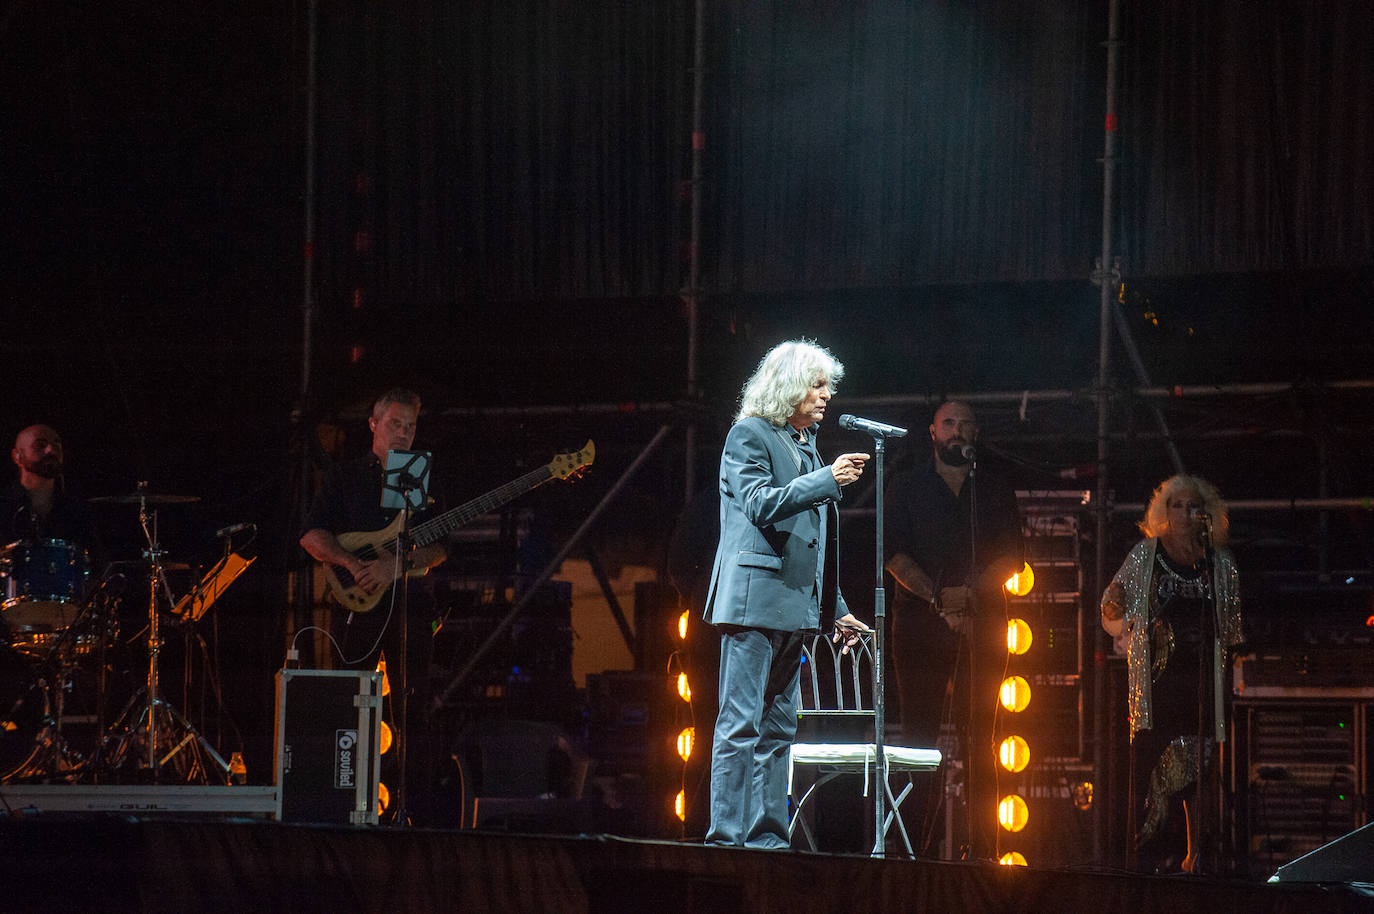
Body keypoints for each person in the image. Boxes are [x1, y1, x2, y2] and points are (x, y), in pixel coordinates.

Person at [702, 339, 871, 849]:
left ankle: (768, 840)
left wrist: (835, 611)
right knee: (740, 726)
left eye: (828, 387)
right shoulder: (748, 435)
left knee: (778, 732)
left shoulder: (804, 444)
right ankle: (726, 839)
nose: (825, 396)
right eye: (817, 385)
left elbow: (808, 544)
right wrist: (825, 480)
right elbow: (757, 503)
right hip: (754, 604)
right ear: (790, 386)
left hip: (794, 610)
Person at [299, 388, 449, 822]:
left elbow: (437, 547)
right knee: (350, 702)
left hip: (411, 605)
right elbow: (312, 535)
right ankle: (349, 803)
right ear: (373, 424)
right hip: (356, 604)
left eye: (410, 426)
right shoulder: (346, 477)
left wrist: (395, 567)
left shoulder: (418, 473)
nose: (403, 433)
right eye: (395, 424)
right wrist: (350, 562)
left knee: (412, 709)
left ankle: (413, 810)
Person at [883, 400, 1023, 859]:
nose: (956, 430)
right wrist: (938, 598)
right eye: (948, 423)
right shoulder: (906, 487)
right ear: (932, 431)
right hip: (919, 629)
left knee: (982, 738)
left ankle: (980, 849)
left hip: (982, 627)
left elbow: (1011, 557)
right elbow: (895, 555)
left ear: (975, 433)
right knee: (919, 738)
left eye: (964, 424)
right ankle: (913, 850)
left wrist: (971, 595)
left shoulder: (995, 490)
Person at [1101, 474, 1241, 874]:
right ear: (1164, 511)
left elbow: (1231, 629)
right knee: (1150, 764)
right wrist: (1115, 612)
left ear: (1206, 513)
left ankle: (1196, 855)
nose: (1184, 512)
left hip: (1200, 682)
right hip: (1157, 683)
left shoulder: (1220, 563)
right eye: (1176, 505)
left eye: (1192, 505)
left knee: (1200, 767)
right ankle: (1142, 858)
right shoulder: (1146, 554)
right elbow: (1113, 603)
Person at [2, 424, 103, 636]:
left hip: (64, 629)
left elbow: (96, 568)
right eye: (40, 445)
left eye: (57, 445)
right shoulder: (4, 507)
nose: (51, 450)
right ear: (17, 456)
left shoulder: (78, 512)